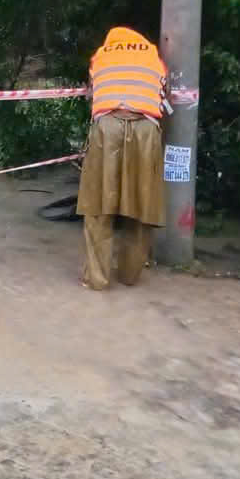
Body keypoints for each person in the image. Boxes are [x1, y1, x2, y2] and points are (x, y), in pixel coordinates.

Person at [77, 26, 169, 289]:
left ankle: (96, 279)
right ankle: (129, 274)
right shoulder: (153, 56)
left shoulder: (101, 56)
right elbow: (162, 91)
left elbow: (92, 91)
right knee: (142, 203)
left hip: (108, 127)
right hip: (146, 130)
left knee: (98, 204)